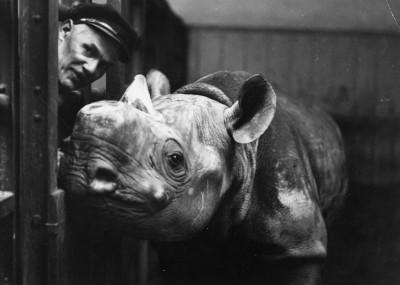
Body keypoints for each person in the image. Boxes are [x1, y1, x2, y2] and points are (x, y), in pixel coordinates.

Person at [57, 3, 138, 142]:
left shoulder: (77, 101)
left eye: (103, 65)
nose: (91, 69)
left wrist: (148, 81)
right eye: (88, 50)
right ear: (65, 30)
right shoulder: (13, 69)